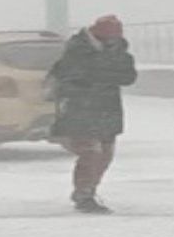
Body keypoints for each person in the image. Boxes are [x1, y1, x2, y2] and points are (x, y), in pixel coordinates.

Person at [46, 15, 138, 214]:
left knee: (105, 153)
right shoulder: (77, 50)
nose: (112, 41)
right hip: (80, 109)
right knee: (91, 152)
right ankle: (84, 194)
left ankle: (89, 189)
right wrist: (104, 74)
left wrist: (100, 74)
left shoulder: (119, 52)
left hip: (107, 109)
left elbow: (128, 76)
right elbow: (75, 76)